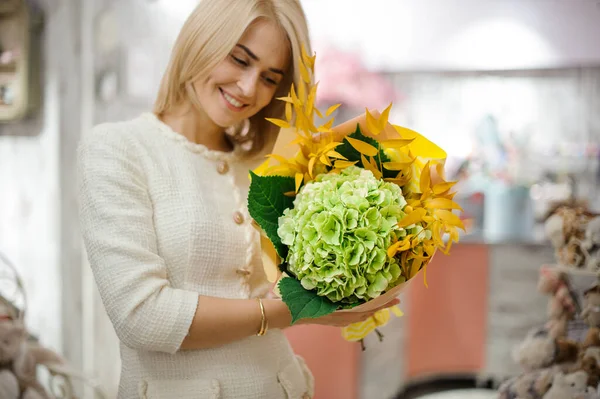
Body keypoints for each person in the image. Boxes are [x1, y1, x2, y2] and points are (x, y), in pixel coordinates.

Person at [77, 0, 398, 398]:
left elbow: (293, 280)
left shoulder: (269, 165)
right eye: (240, 59)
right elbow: (142, 318)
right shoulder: (119, 149)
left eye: (270, 78)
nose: (249, 88)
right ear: (202, 41)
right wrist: (295, 310)